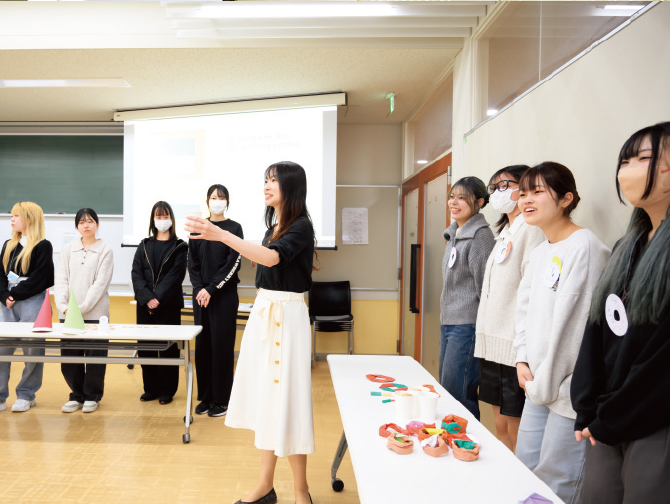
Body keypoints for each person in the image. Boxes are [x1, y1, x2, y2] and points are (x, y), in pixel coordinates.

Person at [185, 161, 315, 504]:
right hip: (265, 313)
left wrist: (221, 235)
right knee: (267, 401)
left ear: (291, 186)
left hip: (287, 317)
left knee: (290, 401)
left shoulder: (301, 226)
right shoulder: (273, 227)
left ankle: (301, 490)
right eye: (265, 180)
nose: (267, 186)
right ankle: (265, 485)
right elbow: (265, 260)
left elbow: (271, 259)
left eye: (273, 180)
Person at [571, 122, 670, 503]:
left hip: (653, 417)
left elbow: (662, 359)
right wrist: (587, 407)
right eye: (624, 161)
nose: (627, 170)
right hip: (606, 415)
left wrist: (613, 415)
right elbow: (597, 330)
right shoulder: (627, 246)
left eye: (643, 158)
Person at [513, 162, 609, 504]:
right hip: (537, 382)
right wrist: (521, 359)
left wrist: (544, 383)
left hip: (569, 390)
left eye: (537, 192)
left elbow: (576, 330)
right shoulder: (540, 251)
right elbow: (523, 312)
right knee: (524, 469)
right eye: (523, 193)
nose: (526, 200)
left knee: (557, 483)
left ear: (566, 199)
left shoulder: (585, 247)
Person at [475, 165, 545, 452]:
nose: (498, 192)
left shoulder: (532, 229)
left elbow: (530, 291)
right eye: (494, 187)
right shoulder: (505, 231)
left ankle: (520, 478)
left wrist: (522, 347)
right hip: (493, 344)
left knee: (516, 428)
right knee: (500, 425)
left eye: (505, 185)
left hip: (512, 345)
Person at [440, 176, 495, 420]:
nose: (454, 202)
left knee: (459, 396)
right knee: (448, 392)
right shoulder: (454, 234)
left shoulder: (480, 236)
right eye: (452, 196)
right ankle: (454, 439)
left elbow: (486, 288)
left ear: (479, 202)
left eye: (462, 198)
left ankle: (467, 440)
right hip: (449, 322)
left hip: (467, 325)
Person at [187, 184, 243, 417]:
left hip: (223, 296)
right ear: (207, 201)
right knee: (202, 347)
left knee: (222, 347)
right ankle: (206, 397)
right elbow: (192, 263)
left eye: (221, 197)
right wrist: (200, 288)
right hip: (201, 297)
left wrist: (211, 288)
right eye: (213, 197)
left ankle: (222, 400)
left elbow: (233, 263)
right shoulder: (199, 228)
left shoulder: (234, 228)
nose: (217, 201)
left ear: (227, 201)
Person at [55, 208, 114, 413]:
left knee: (95, 356)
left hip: (96, 313)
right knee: (70, 357)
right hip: (68, 314)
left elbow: (100, 284)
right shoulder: (68, 249)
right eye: (81, 222)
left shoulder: (105, 250)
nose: (86, 225)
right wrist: (64, 307)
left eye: (89, 221)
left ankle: (92, 395)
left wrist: (81, 309)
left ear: (97, 224)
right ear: (77, 226)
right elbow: (61, 279)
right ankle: (77, 395)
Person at [0, 202, 54, 413]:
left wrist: (15, 294)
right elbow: (1, 275)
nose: (12, 219)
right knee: (2, 348)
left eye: (16, 216)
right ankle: (1, 395)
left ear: (30, 219)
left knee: (33, 349)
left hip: (32, 301)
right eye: (12, 215)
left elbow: (43, 277)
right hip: (7, 302)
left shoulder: (43, 246)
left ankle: (26, 394)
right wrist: (4, 295)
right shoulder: (8, 245)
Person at [131, 201, 188, 405]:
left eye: (165, 217)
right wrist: (147, 299)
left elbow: (175, 276)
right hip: (144, 305)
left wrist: (157, 299)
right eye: (158, 217)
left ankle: (167, 390)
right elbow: (136, 273)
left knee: (168, 349)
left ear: (171, 219)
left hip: (168, 305)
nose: (162, 220)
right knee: (146, 348)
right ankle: (150, 388)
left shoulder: (180, 246)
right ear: (153, 220)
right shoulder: (144, 245)